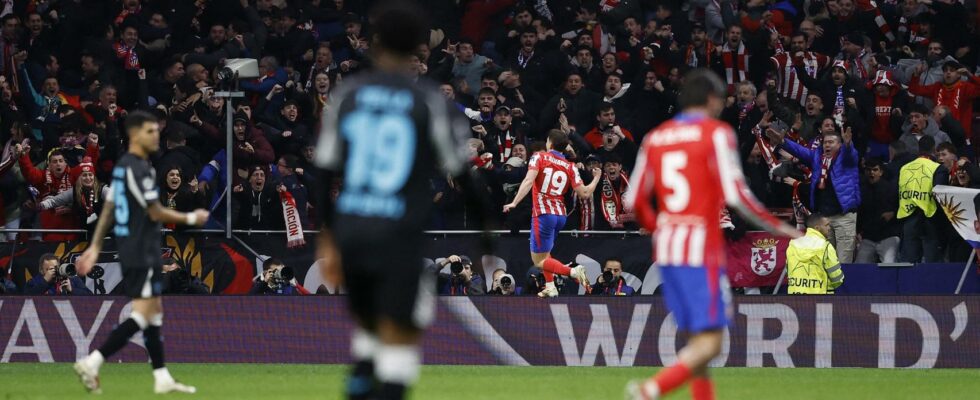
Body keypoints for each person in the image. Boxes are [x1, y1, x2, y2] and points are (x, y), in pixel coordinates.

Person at [313, 4, 489, 399]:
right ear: (419, 48)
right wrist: (487, 232)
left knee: (369, 332)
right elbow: (464, 175)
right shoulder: (428, 102)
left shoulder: (348, 95)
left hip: (354, 227)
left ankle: (361, 374)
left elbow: (322, 172)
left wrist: (328, 235)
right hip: (399, 232)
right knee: (402, 338)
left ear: (374, 42)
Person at [624, 69, 799, 400]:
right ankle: (649, 391)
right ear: (710, 99)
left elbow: (633, 200)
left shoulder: (656, 137)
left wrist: (661, 228)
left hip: (667, 249)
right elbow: (738, 196)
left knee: (697, 342)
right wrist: (782, 228)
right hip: (699, 250)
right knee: (711, 342)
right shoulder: (715, 133)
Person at [73, 111, 210, 395]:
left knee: (152, 312)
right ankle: (93, 361)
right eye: (150, 131)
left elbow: (109, 209)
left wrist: (95, 247)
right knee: (144, 313)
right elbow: (155, 211)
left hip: (133, 248)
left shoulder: (125, 167)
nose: (156, 136)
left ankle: (161, 376)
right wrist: (191, 219)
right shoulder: (139, 169)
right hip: (139, 249)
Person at [503, 129, 602, 298]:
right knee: (546, 255)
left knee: (539, 261)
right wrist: (596, 178)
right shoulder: (570, 166)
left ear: (549, 142)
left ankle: (573, 271)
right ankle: (550, 286)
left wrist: (514, 202)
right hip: (560, 216)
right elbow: (585, 193)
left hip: (543, 214)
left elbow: (528, 180)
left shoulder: (539, 157)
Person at [897, 135, 942, 262]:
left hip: (908, 217)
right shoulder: (937, 168)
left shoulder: (904, 168)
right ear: (934, 149)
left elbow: (898, 191)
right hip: (930, 218)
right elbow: (940, 195)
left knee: (909, 262)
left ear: (918, 149)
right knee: (931, 262)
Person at [787, 214, 845, 294]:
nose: (829, 228)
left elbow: (789, 271)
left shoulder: (793, 244)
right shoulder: (826, 246)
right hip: (820, 298)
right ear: (817, 228)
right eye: (827, 225)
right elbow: (837, 278)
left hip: (794, 297)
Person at [24, 253, 91, 295]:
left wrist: (71, 289)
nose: (54, 271)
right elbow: (25, 297)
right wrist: (45, 281)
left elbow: (90, 296)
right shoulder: (35, 282)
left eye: (56, 268)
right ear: (41, 270)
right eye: (49, 269)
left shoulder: (72, 279)